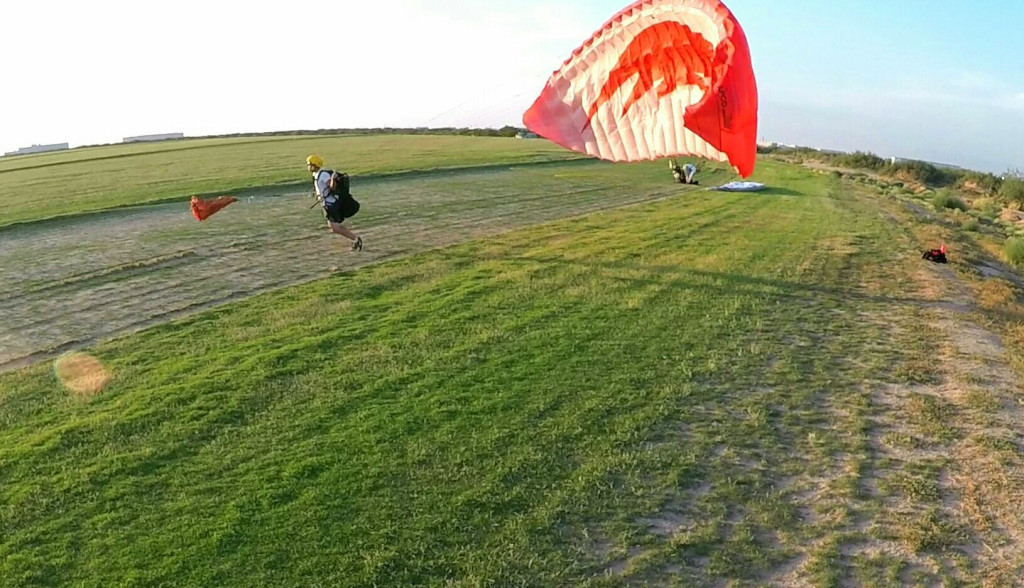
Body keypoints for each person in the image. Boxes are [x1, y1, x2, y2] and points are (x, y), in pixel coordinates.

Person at [307, 154, 362, 251]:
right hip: (327, 204)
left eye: (309, 164)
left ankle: (356, 239)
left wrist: (332, 179)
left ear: (314, 165)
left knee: (335, 227)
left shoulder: (323, 174)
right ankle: (355, 239)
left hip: (331, 204)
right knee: (334, 227)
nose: (308, 166)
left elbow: (333, 187)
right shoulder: (316, 174)